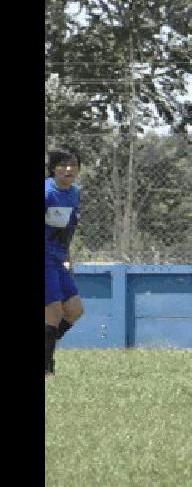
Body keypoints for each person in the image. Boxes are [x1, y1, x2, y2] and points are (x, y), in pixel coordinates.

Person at [45, 147, 84, 378]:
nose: (68, 169)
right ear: (52, 168)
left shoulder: (74, 193)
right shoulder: (46, 193)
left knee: (74, 310)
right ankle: (47, 369)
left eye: (73, 165)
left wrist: (67, 257)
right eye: (62, 164)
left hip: (58, 259)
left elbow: (67, 230)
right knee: (54, 310)